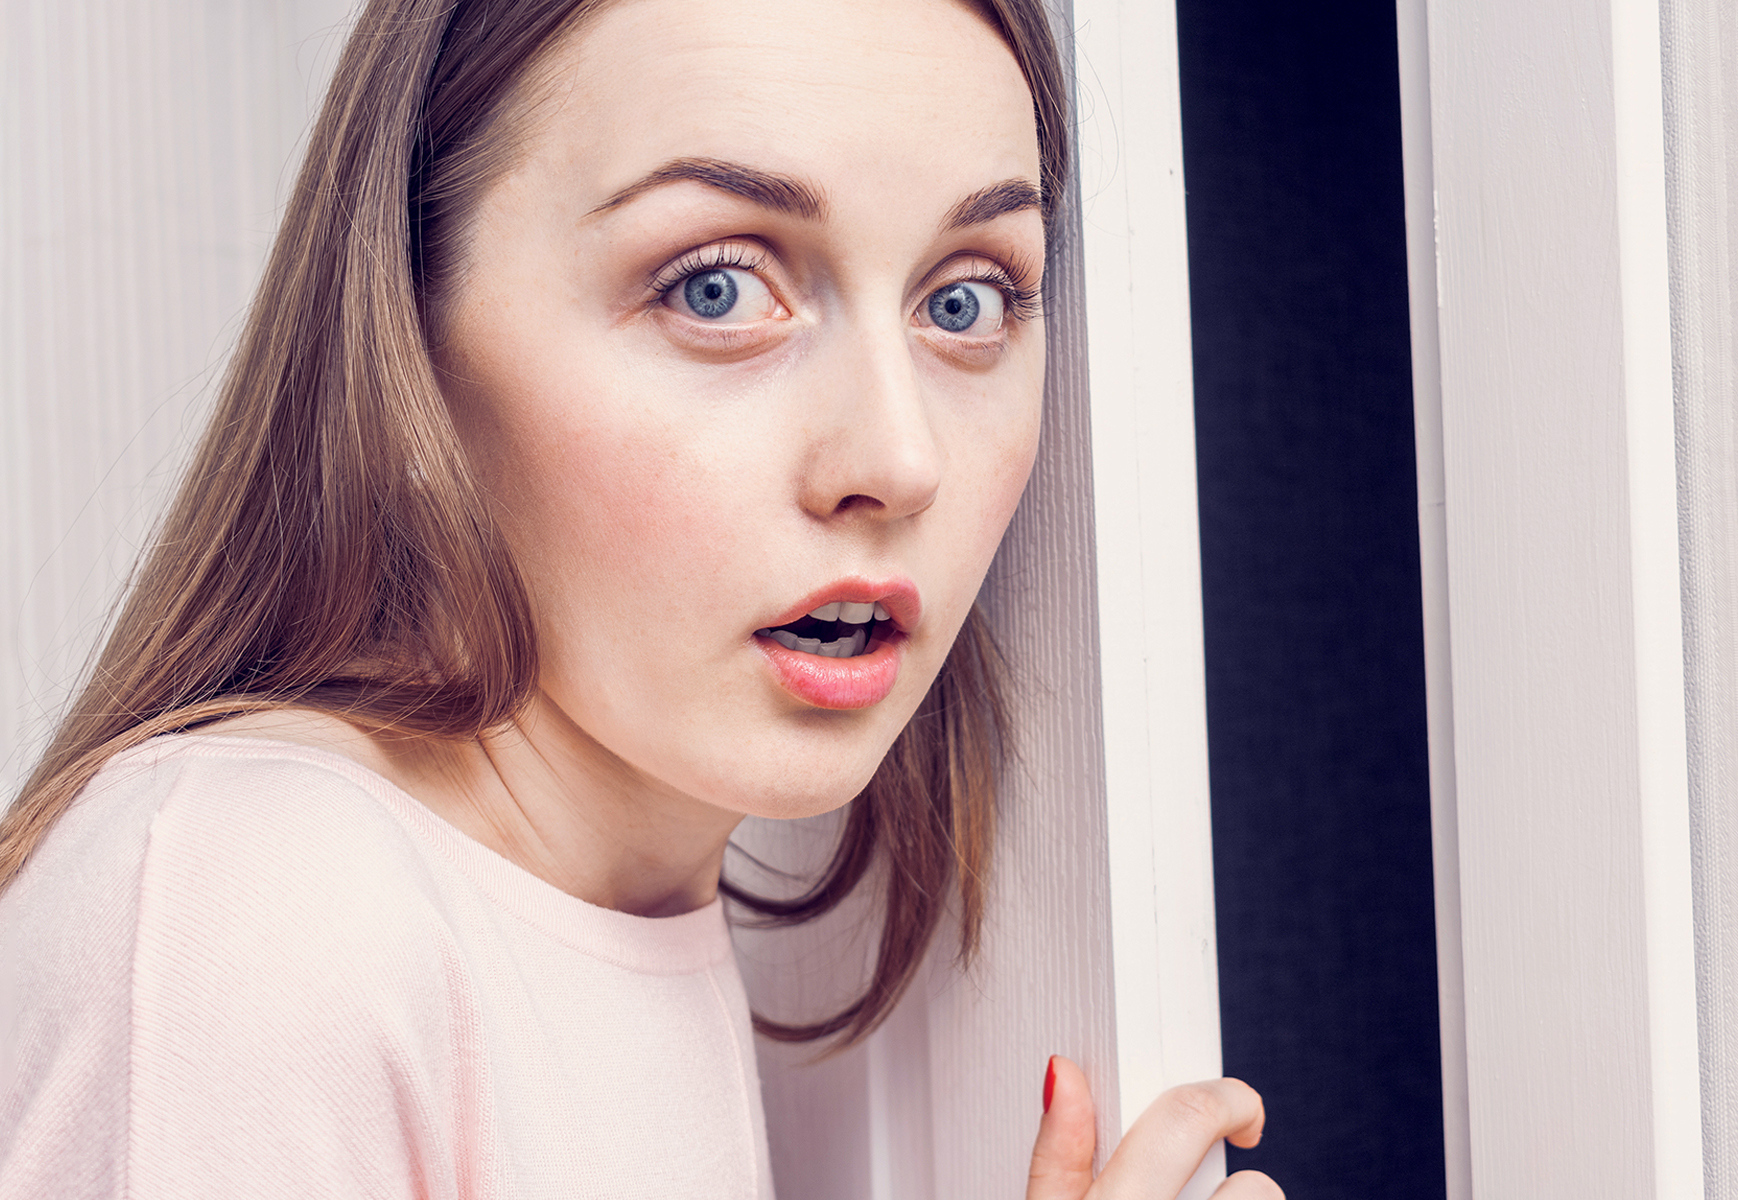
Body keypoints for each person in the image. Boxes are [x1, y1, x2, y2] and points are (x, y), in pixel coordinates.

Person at [0, 0, 1278, 1196]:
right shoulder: (254, 908)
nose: (898, 460)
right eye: (715, 286)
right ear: (409, 324)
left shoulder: (621, 911)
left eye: (965, 301)